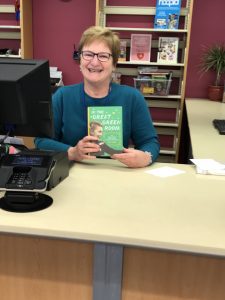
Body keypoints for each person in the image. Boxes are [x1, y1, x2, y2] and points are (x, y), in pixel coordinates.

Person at [35, 26, 160, 168]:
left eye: (103, 56)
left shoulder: (132, 98)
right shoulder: (63, 96)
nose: (94, 62)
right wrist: (72, 152)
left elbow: (150, 142)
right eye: (88, 54)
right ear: (80, 61)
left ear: (114, 64)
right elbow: (41, 140)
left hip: (116, 173)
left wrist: (145, 157)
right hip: (70, 174)